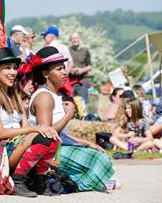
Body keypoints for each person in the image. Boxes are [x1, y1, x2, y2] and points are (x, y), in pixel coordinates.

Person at [0, 47, 59, 197]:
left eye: (14, 68)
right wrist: (35, 129)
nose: (13, 72)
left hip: (16, 143)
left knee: (52, 136)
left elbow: (25, 127)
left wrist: (40, 129)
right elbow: (0, 133)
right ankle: (18, 180)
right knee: (42, 134)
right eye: (7, 68)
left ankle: (39, 180)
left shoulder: (16, 95)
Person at [28, 46, 114, 192]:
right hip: (50, 153)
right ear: (45, 73)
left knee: (99, 154)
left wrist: (88, 143)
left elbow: (61, 136)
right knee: (101, 161)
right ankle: (68, 186)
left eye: (64, 68)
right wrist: (69, 115)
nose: (64, 72)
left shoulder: (53, 95)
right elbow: (45, 135)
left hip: (60, 147)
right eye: (59, 69)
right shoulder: (44, 96)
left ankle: (65, 181)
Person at [69, 32, 92, 103]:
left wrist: (82, 70)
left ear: (80, 39)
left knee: (83, 102)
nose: (75, 40)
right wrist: (70, 70)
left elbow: (89, 66)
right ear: (70, 40)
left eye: (76, 38)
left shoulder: (85, 51)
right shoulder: (68, 51)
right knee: (71, 101)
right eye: (73, 38)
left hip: (82, 80)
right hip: (71, 80)